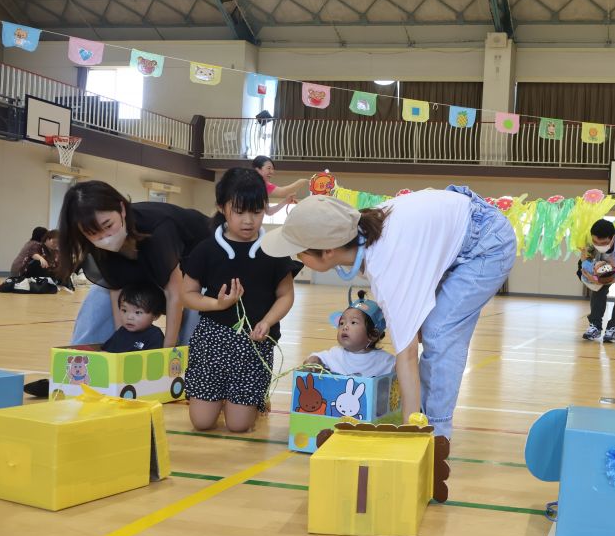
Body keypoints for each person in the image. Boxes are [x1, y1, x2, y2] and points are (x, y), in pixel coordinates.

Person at [260, 186, 515, 438]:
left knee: (439, 334)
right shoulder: (363, 234)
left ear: (328, 251)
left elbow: (407, 354)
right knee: (424, 329)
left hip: (486, 244)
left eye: (299, 251)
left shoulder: (389, 264)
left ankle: (433, 434)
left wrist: (409, 431)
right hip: (463, 227)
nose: (297, 258)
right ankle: (422, 423)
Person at [181, 168, 302, 433]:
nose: (248, 221)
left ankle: (250, 400)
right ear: (222, 208)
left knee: (238, 426)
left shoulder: (273, 247)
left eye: (256, 212)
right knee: (201, 423)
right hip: (211, 343)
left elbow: (286, 295)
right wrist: (217, 305)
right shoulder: (206, 249)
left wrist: (267, 322)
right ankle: (222, 398)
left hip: (254, 346)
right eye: (239, 211)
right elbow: (187, 294)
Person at [56, 181, 211, 348]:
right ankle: (82, 362)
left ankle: (191, 363)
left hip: (201, 271)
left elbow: (175, 294)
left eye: (108, 225)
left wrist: (169, 351)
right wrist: (123, 342)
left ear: (122, 209)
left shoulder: (157, 228)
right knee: (97, 297)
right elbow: (117, 289)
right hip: (148, 275)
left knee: (195, 309)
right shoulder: (95, 245)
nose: (105, 236)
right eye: (93, 233)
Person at [304, 290, 396, 376]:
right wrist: (313, 361)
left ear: (372, 334)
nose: (345, 327)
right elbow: (315, 357)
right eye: (342, 323)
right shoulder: (335, 354)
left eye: (353, 322)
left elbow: (402, 369)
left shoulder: (385, 361)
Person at [101, 283, 166, 353]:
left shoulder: (154, 335)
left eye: (137, 312)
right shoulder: (121, 331)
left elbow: (156, 359)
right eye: (124, 310)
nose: (129, 317)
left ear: (155, 315)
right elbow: (106, 352)